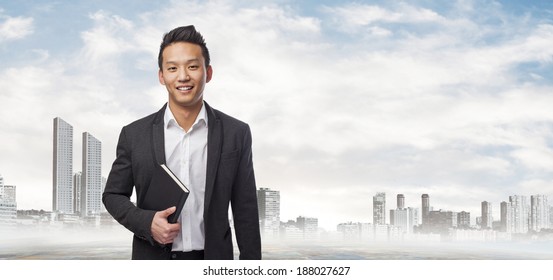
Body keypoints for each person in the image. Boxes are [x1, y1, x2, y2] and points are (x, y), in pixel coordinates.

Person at [102, 25, 261, 260]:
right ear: (161, 76)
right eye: (173, 68)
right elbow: (113, 195)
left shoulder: (236, 133)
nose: (183, 76)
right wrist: (147, 223)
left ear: (208, 73)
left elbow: (245, 208)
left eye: (193, 66)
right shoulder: (134, 135)